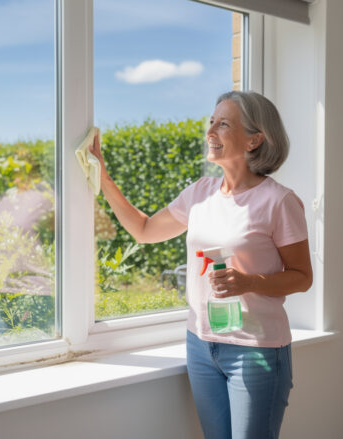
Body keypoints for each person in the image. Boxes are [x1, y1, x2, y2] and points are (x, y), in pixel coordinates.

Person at [88, 90, 312, 439]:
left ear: (255, 139)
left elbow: (302, 277)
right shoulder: (200, 193)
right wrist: (103, 179)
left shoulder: (279, 201)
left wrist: (249, 282)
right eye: (211, 122)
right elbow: (145, 230)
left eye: (223, 124)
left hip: (256, 349)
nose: (210, 132)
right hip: (201, 344)